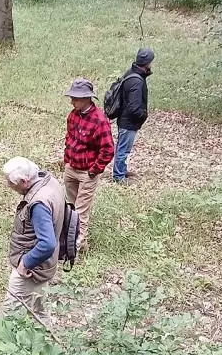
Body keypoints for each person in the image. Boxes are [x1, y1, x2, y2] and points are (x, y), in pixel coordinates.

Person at [2, 156, 67, 320]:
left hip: (33, 270)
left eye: (11, 183)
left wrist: (26, 263)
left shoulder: (38, 204)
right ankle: (47, 342)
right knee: (39, 310)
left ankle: (5, 344)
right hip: (46, 265)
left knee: (10, 315)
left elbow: (47, 244)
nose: (8, 186)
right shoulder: (48, 181)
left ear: (24, 181)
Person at [62, 78, 115, 254]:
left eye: (75, 98)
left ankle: (76, 248)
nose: (72, 101)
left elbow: (108, 149)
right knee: (70, 207)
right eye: (72, 97)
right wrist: (67, 160)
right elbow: (69, 138)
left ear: (86, 98)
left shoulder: (99, 120)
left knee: (80, 212)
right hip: (71, 168)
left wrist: (94, 170)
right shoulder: (73, 115)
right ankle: (71, 241)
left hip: (87, 173)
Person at [113, 47, 154, 184]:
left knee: (123, 147)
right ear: (147, 63)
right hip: (128, 122)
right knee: (123, 149)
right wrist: (143, 115)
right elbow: (134, 107)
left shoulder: (131, 73)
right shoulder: (137, 81)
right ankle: (119, 176)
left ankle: (122, 171)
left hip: (125, 119)